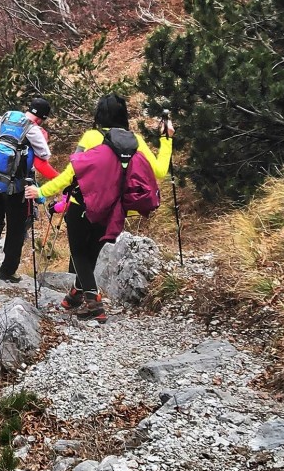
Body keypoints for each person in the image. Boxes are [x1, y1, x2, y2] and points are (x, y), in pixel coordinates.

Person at [25, 94, 174, 322]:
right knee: (92, 253)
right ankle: (76, 295)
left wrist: (42, 192)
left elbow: (71, 173)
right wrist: (167, 139)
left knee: (79, 254)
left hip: (81, 206)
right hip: (113, 210)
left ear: (99, 113)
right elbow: (160, 172)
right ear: (124, 115)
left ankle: (93, 302)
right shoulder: (136, 140)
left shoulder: (92, 136)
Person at [0, 97, 59, 282]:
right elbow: (43, 158)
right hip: (17, 189)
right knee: (16, 229)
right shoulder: (33, 129)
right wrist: (60, 179)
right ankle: (7, 271)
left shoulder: (3, 120)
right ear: (42, 118)